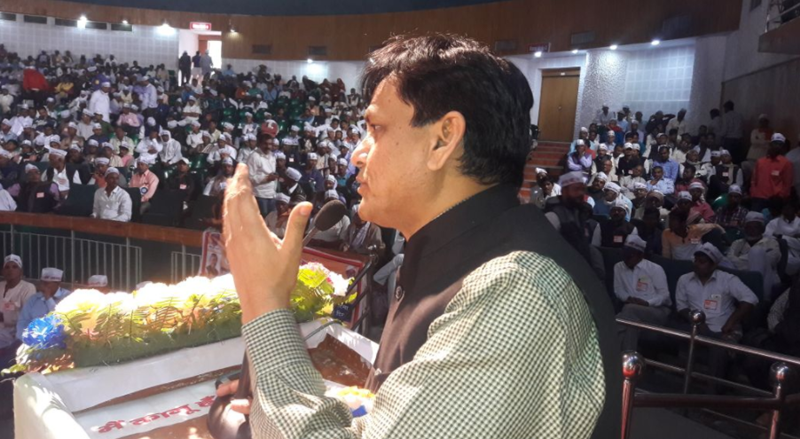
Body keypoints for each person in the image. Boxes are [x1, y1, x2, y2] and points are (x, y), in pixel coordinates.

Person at [217, 35, 619, 439]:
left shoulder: (515, 289)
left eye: (375, 129)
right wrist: (283, 398)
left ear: (442, 139)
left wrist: (264, 300)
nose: (357, 154)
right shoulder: (455, 251)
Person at [673, 243, 758, 387]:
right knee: (675, 331)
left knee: (719, 347)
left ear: (713, 266)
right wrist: (697, 322)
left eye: (702, 262)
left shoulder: (727, 279)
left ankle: (713, 392)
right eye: (696, 260)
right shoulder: (684, 279)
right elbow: (681, 307)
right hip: (695, 325)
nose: (697, 265)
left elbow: (751, 299)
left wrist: (731, 322)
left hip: (724, 329)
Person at [614, 235, 671, 351]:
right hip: (632, 309)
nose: (626, 259)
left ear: (640, 255)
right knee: (631, 324)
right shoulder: (619, 267)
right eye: (624, 255)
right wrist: (628, 298)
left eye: (630, 256)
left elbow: (664, 296)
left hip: (657, 310)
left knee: (628, 310)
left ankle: (611, 340)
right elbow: (618, 290)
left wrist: (647, 303)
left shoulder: (655, 269)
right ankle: (628, 355)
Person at [726, 212, 780, 299]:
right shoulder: (737, 243)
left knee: (756, 252)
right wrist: (751, 261)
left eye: (755, 227)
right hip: (741, 281)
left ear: (762, 229)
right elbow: (729, 260)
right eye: (749, 227)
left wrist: (740, 260)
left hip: (766, 282)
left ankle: (758, 298)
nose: (751, 230)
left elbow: (770, 261)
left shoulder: (772, 243)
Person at [16, 268, 71, 340]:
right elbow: (23, 320)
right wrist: (24, 337)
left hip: (58, 339)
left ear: (58, 284)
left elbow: (60, 318)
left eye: (47, 283)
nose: (43, 286)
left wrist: (48, 298)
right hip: (33, 339)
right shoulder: (34, 298)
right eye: (42, 283)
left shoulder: (67, 297)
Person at [0, 255, 36, 356]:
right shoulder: (1, 286)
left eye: (14, 267)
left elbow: (27, 316)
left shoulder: (27, 288)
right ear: (2, 271)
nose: (10, 270)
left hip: (16, 332)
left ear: (21, 271)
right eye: (7, 267)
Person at [750, 134, 793, 212]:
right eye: (775, 143)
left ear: (783, 147)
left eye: (780, 144)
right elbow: (754, 180)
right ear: (770, 145)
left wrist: (780, 197)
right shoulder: (760, 162)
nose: (777, 146)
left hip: (775, 200)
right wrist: (754, 193)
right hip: (758, 198)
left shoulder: (786, 163)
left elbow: (787, 184)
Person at [765, 201, 800, 276]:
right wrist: (791, 238)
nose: (787, 211)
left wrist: (781, 237)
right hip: (776, 250)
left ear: (794, 209)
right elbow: (767, 236)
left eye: (789, 208)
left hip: (795, 254)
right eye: (785, 209)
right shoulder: (773, 223)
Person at [246, 136, 278, 216]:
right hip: (259, 195)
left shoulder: (272, 156)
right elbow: (249, 177)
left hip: (271, 194)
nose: (268, 146)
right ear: (259, 143)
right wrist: (267, 178)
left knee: (270, 220)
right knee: (261, 220)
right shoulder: (254, 156)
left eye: (270, 144)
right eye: (265, 144)